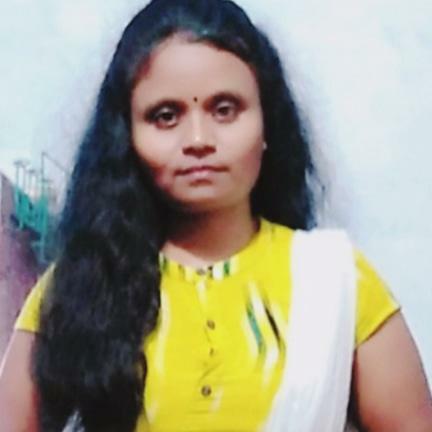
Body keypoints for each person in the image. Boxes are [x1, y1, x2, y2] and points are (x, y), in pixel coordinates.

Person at [1, 0, 431, 431]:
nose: (198, 139)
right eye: (165, 116)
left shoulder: (334, 281)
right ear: (126, 137)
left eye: (225, 110)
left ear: (267, 123)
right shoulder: (80, 289)